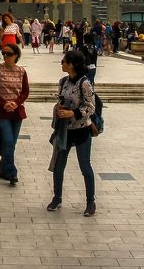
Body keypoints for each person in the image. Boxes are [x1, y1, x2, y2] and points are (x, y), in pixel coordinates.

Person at [48, 50, 97, 217]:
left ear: (72, 64)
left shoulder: (85, 83)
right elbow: (60, 101)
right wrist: (59, 108)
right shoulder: (63, 81)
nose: (61, 64)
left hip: (82, 129)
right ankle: (57, 197)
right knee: (58, 165)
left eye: (64, 61)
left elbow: (90, 107)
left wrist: (72, 113)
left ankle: (90, 202)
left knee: (85, 166)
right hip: (65, 130)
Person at [0, 43, 29, 186]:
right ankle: (12, 172)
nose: (5, 56)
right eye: (3, 53)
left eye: (9, 54)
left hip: (17, 111)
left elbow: (25, 92)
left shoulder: (22, 71)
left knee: (11, 143)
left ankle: (3, 169)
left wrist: (16, 103)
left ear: (16, 56)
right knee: (8, 141)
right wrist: (4, 103)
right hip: (1, 110)